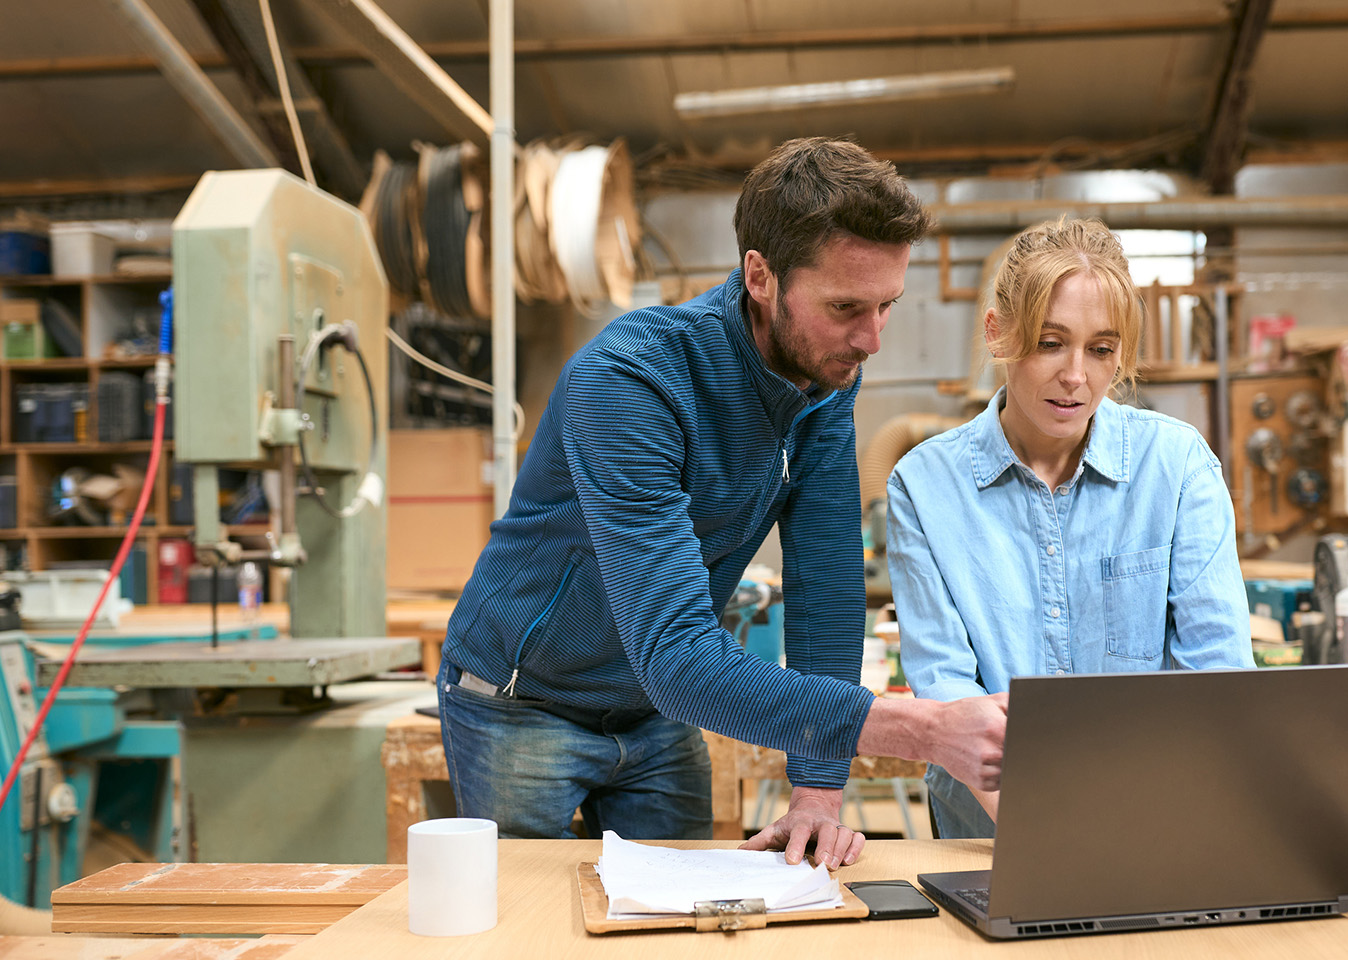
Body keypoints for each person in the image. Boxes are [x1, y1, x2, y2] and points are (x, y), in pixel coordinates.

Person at [439, 137, 1012, 869]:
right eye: (845, 307)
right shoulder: (630, 382)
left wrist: (816, 788)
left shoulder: (825, 375)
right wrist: (924, 731)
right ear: (761, 276)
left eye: (887, 306)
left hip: (654, 713)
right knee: (533, 945)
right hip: (522, 705)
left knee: (679, 947)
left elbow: (828, 590)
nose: (870, 339)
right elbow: (678, 657)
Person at [885, 216, 1254, 838]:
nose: (1077, 375)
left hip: (1154, 823)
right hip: (990, 836)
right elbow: (950, 695)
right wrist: (1049, 841)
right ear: (998, 334)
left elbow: (1217, 677)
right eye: (1050, 342)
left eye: (1101, 349)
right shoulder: (924, 487)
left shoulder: (1178, 466)